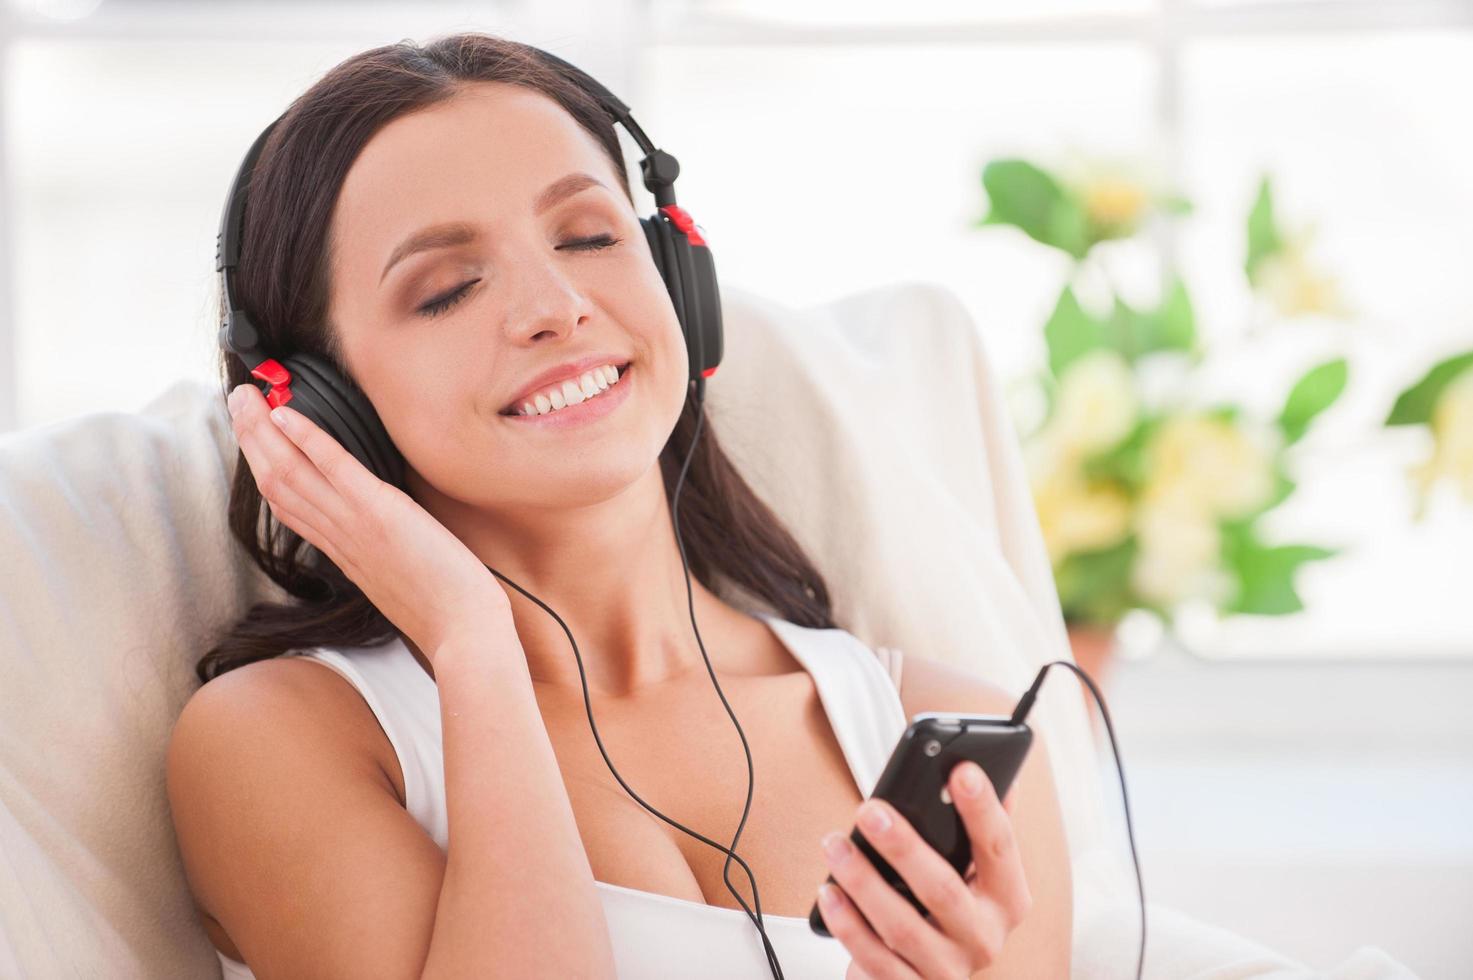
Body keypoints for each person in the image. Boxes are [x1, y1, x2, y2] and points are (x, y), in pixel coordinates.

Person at [165, 32, 1072, 979]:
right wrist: (474, 644)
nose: (555, 305)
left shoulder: (943, 735)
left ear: (678, 282)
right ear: (317, 401)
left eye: (589, 236)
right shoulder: (280, 742)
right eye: (446, 290)